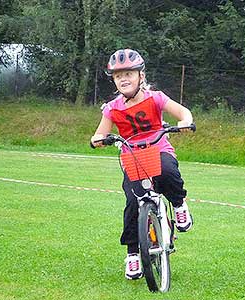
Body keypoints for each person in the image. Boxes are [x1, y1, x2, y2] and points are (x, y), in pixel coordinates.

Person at [90, 49, 193, 280]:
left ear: (141, 76)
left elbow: (182, 112)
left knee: (168, 171)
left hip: (158, 148)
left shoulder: (155, 98)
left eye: (129, 73)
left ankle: (178, 205)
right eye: (118, 76)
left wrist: (185, 122)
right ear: (114, 81)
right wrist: (98, 140)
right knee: (131, 203)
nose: (124, 79)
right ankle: (133, 253)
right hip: (132, 156)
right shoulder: (112, 108)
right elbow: (99, 134)